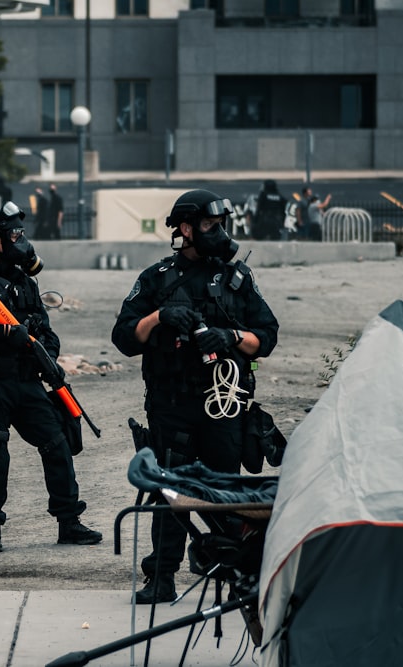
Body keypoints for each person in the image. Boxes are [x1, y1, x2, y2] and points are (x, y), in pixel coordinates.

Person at [110, 189, 279, 604]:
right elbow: (123, 339)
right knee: (170, 490)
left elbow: (268, 336)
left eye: (221, 225)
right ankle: (161, 576)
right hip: (172, 406)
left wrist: (233, 336)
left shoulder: (237, 278)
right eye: (209, 225)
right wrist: (159, 316)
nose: (218, 233)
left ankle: (230, 572)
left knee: (224, 493)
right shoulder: (156, 278)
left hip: (223, 405)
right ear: (186, 229)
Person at [0, 201, 102, 553]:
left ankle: (68, 522)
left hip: (28, 381)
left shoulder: (25, 282)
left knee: (57, 444)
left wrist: (48, 355)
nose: (21, 240)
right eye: (13, 235)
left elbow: (46, 329)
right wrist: (4, 334)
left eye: (20, 233)